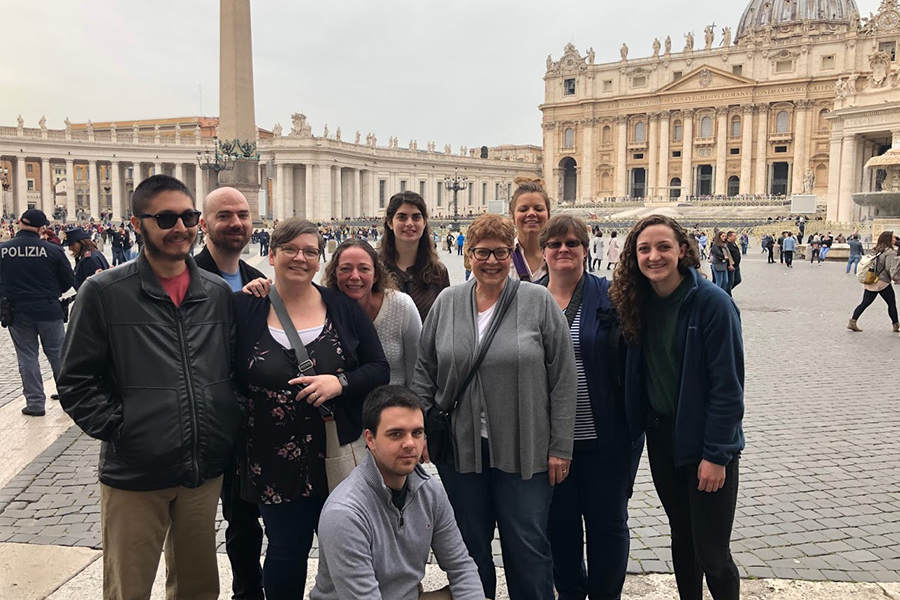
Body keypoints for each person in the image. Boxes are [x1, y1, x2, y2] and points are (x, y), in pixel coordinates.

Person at [58, 175, 243, 600]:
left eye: (189, 216)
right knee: (129, 587)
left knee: (199, 587)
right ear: (138, 223)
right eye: (165, 218)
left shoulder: (215, 292)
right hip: (136, 472)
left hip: (202, 468)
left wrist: (226, 421)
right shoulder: (103, 292)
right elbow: (75, 379)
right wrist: (125, 429)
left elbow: (232, 369)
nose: (181, 227)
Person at [412, 213, 576, 600]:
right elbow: (424, 370)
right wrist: (420, 430)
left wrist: (560, 447)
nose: (491, 261)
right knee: (468, 545)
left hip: (527, 446)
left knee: (527, 544)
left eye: (501, 252)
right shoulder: (448, 302)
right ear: (467, 255)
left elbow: (564, 378)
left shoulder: (537, 301)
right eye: (482, 252)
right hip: (460, 448)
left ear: (512, 253)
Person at [232, 218, 389, 600]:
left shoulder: (341, 307)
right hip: (270, 457)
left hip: (336, 450)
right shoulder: (244, 307)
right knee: (286, 551)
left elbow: (379, 368)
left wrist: (340, 382)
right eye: (290, 249)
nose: (300, 258)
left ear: (320, 261)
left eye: (310, 252)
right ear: (270, 254)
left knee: (350, 550)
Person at [611, 214, 744, 600]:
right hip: (662, 436)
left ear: (682, 250)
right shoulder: (637, 301)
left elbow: (728, 387)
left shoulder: (713, 304)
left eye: (663, 247)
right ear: (633, 256)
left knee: (713, 551)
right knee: (682, 537)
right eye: (645, 249)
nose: (654, 256)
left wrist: (716, 455)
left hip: (705, 440)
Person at [536, 216, 643, 600]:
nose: (563, 249)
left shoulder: (613, 297)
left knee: (608, 526)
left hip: (605, 438)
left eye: (572, 243)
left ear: (585, 248)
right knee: (558, 527)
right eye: (555, 244)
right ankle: (569, 592)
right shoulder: (526, 299)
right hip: (550, 445)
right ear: (543, 250)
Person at [310, 386, 484, 600]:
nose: (410, 444)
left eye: (417, 433)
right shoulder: (344, 514)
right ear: (370, 439)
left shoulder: (430, 490)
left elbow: (461, 567)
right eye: (396, 434)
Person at [194, 186, 267, 600]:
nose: (236, 223)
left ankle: (251, 591)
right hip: (208, 419)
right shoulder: (186, 276)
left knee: (248, 515)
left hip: (253, 418)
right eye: (224, 215)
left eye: (242, 214)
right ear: (204, 224)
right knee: (209, 520)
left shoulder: (257, 279)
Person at [0, 209, 74, 417]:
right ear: (42, 228)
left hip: (17, 311)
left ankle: (35, 404)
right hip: (49, 309)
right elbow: (68, 280)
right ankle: (69, 398)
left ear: (19, 223)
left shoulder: (3, 250)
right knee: (58, 354)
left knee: (27, 356)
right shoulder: (52, 250)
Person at [324, 239, 422, 386]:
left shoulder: (402, 306)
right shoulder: (322, 309)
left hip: (394, 403)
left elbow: (417, 367)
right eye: (345, 269)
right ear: (335, 274)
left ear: (376, 275)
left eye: (364, 269)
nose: (355, 276)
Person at [379, 191, 450, 321]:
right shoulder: (374, 267)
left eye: (416, 217)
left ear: (424, 223)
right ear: (390, 222)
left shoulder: (439, 272)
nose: (409, 223)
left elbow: (445, 321)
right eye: (402, 217)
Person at [847, 230, 900, 333]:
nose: (895, 239)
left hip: (871, 280)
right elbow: (890, 268)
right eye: (893, 237)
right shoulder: (890, 252)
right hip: (882, 282)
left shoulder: (876, 250)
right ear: (889, 239)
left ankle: (852, 321)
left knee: (865, 302)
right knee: (891, 303)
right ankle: (896, 325)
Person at [508, 177, 550, 282]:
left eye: (538, 209)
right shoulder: (498, 256)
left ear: (548, 215)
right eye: (523, 209)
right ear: (512, 217)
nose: (531, 213)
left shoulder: (560, 255)